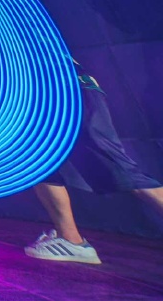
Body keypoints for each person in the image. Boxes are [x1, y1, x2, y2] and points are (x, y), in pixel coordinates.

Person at [25, 59, 163, 264]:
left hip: (65, 89)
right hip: (49, 93)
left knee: (119, 169)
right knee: (40, 164)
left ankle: (72, 240)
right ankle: (71, 240)